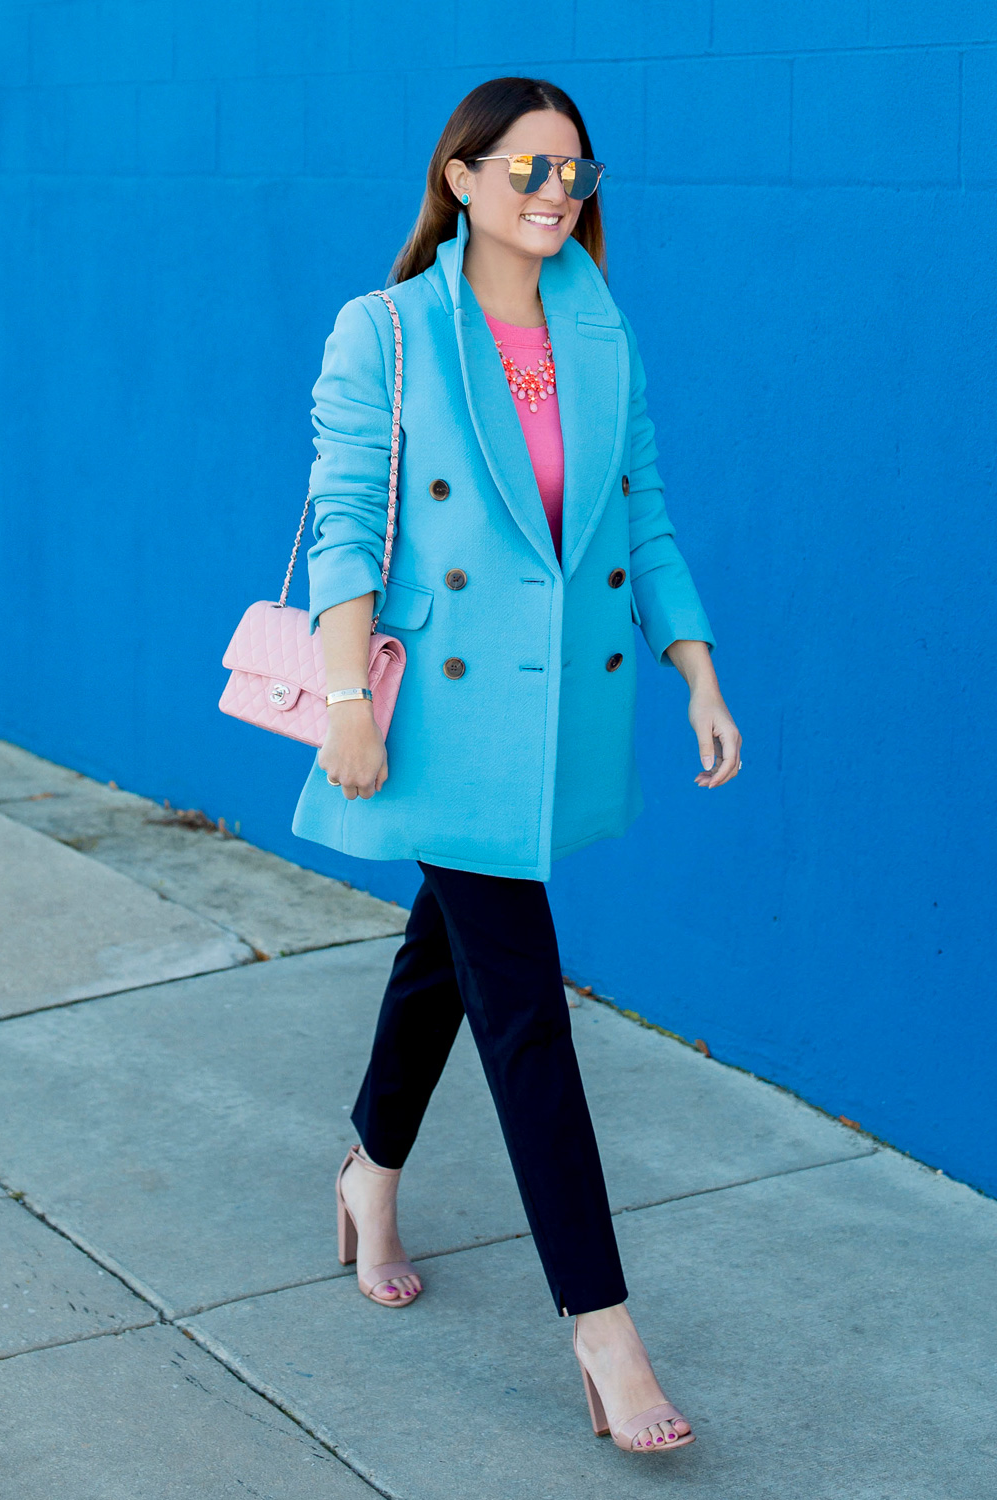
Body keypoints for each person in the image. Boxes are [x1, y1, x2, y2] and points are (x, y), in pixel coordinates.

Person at [291, 75, 741, 1456]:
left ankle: (367, 1171)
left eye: (575, 175)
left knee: (452, 950)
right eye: (529, 170)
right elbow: (349, 513)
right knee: (526, 1009)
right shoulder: (391, 332)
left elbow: (642, 515)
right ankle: (605, 1339)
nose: (555, 195)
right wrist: (344, 698)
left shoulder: (601, 339)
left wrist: (697, 668)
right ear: (465, 178)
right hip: (435, 716)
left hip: (556, 719)